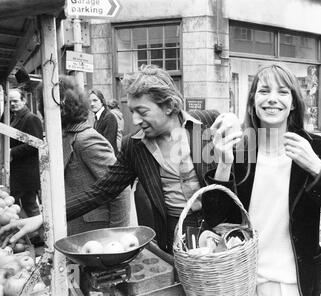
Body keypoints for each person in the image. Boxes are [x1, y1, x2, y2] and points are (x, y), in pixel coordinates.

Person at [0, 65, 240, 252]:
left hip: (222, 232)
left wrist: (236, 131)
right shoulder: (134, 147)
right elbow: (100, 191)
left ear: (168, 106)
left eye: (142, 111)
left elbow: (244, 173)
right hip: (175, 235)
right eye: (132, 110)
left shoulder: (208, 124)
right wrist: (44, 218)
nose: (134, 120)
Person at [206, 64, 321, 296]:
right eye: (264, 91)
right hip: (244, 281)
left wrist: (316, 167)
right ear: (252, 101)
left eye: (283, 92)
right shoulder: (240, 151)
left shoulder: (317, 148)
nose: (272, 99)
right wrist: (224, 164)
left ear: (294, 102)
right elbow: (217, 223)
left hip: (295, 284)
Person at [56, 76, 130, 235]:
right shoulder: (67, 136)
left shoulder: (85, 139)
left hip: (96, 233)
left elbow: (120, 189)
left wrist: (118, 238)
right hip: (76, 228)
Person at [8, 88, 43, 218]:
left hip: (27, 173)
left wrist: (12, 152)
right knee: (18, 205)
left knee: (30, 205)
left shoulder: (31, 118)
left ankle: (40, 236)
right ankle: (32, 235)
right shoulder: (12, 117)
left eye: (15, 101)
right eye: (10, 101)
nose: (12, 104)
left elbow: (36, 145)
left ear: (24, 101)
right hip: (19, 172)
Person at [89, 89, 119, 154]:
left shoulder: (109, 117)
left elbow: (108, 144)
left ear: (102, 101)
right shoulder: (97, 118)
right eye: (90, 101)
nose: (92, 104)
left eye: (95, 100)